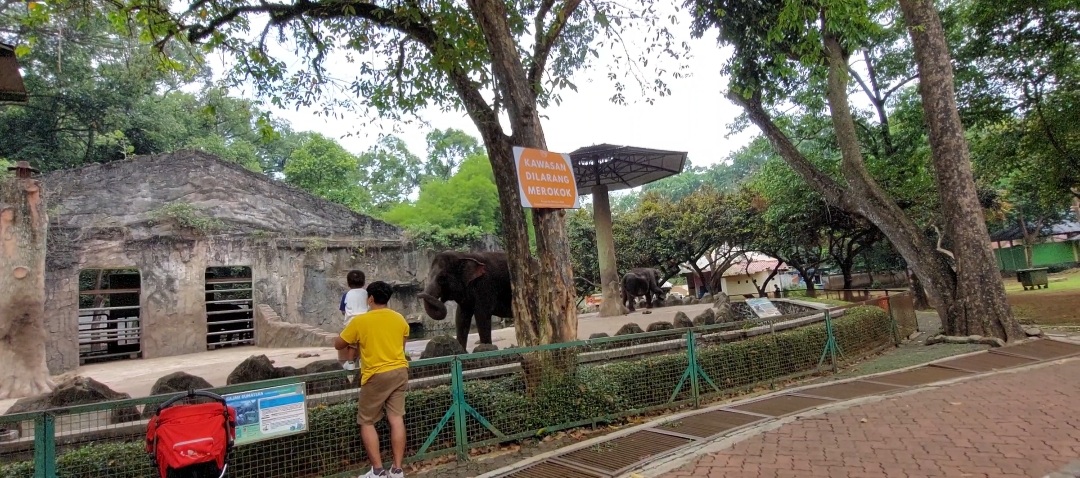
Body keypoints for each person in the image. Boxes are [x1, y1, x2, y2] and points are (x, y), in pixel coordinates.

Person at [334, 281, 410, 478]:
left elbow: (338, 343)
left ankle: (377, 471)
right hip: (399, 371)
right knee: (396, 418)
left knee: (366, 421)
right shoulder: (399, 318)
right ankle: (397, 469)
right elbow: (401, 346)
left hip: (376, 374)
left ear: (370, 299)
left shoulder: (360, 321)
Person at [337, 270, 368, 371]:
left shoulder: (347, 295)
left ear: (348, 283)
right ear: (364, 282)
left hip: (352, 322)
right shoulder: (367, 293)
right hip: (365, 321)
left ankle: (350, 363)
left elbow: (343, 310)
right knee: (364, 344)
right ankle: (363, 361)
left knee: (352, 344)